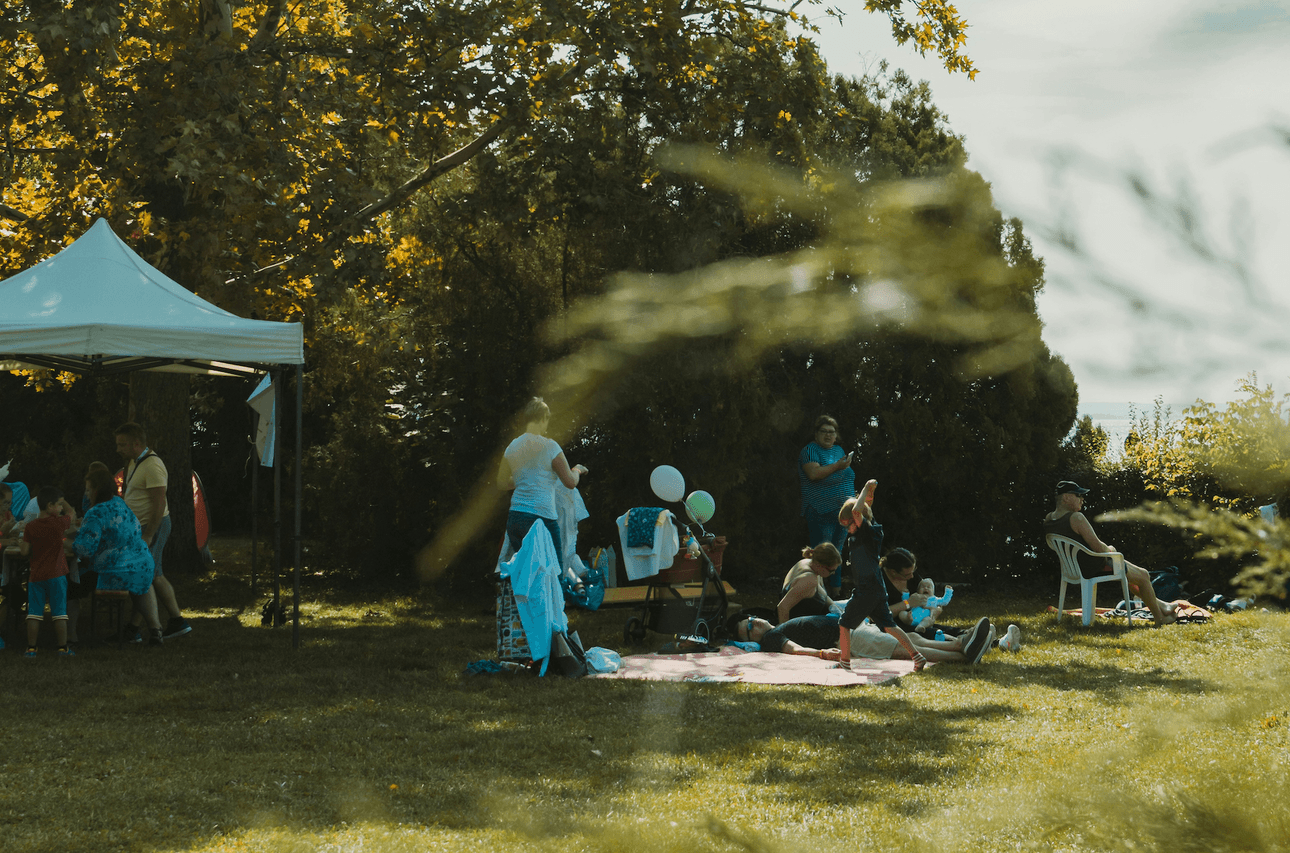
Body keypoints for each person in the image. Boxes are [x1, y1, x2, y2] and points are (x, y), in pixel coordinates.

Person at [834, 480, 996, 668]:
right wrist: (868, 498)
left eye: (848, 526)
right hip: (874, 590)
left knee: (844, 624)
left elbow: (857, 511)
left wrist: (863, 491)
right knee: (890, 627)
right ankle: (917, 657)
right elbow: (864, 510)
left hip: (867, 590)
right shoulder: (869, 532)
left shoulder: (866, 533)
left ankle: (844, 662)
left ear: (857, 520)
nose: (847, 530)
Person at [1043, 479, 1177, 627]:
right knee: (1143, 575)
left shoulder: (1049, 520)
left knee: (1134, 577)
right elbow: (1099, 549)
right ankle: (1160, 619)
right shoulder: (1076, 518)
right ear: (1066, 497)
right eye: (1078, 495)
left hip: (1074, 569)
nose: (1082, 499)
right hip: (1095, 567)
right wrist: (1111, 549)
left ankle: (1162, 606)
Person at [115, 422, 191, 640]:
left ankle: (166, 624)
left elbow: (159, 503)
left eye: (122, 444)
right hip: (141, 527)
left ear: (136, 444)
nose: (118, 449)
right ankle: (149, 626)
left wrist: (149, 534)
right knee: (151, 574)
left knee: (149, 574)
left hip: (152, 526)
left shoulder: (153, 465)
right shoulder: (134, 462)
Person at [73, 466, 164, 645]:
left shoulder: (96, 512)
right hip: (142, 562)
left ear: (96, 490)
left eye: (88, 489)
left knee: (73, 583)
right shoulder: (119, 503)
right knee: (142, 582)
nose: (86, 493)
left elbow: (85, 550)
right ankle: (156, 630)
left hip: (114, 569)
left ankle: (70, 633)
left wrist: (68, 543)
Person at [879, 542, 1023, 652]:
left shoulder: (909, 574)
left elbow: (929, 597)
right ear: (892, 572)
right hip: (894, 627)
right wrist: (907, 603)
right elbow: (876, 615)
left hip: (918, 620)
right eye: (907, 575)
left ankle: (998, 642)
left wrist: (934, 611)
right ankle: (987, 642)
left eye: (913, 572)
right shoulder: (878, 581)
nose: (911, 577)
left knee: (946, 629)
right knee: (933, 634)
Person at [729, 610, 994, 665]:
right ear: (751, 639)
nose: (755, 621)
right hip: (846, 639)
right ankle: (962, 654)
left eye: (750, 618)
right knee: (902, 647)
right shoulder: (771, 638)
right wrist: (821, 653)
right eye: (749, 626)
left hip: (852, 628)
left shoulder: (779, 626)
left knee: (910, 635)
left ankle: (962, 643)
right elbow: (794, 649)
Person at [497, 398, 588, 556]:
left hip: (516, 517)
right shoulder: (550, 446)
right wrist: (578, 470)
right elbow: (570, 482)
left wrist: (524, 479)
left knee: (526, 571)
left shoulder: (511, 447)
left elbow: (502, 483)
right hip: (542, 517)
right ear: (543, 418)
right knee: (554, 570)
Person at [17, 487, 77, 658]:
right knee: (59, 613)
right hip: (57, 575)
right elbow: (71, 513)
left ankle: (31, 648)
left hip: (36, 576)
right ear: (50, 506)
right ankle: (62, 647)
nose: (60, 508)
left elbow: (24, 551)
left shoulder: (31, 526)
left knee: (34, 613)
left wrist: (22, 541)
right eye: (58, 505)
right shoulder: (58, 524)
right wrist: (64, 500)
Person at [798, 416, 855, 594]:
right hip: (820, 510)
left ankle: (836, 594)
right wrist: (838, 466)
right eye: (824, 431)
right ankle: (817, 593)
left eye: (832, 432)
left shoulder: (838, 450)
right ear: (816, 434)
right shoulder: (809, 450)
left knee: (836, 554)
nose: (828, 435)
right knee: (822, 555)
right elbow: (814, 474)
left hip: (843, 513)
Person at [777, 543, 844, 623]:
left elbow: (823, 596)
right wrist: (783, 632)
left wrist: (836, 608)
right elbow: (782, 607)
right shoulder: (808, 579)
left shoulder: (811, 566)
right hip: (800, 626)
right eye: (831, 571)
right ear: (821, 565)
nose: (833, 573)